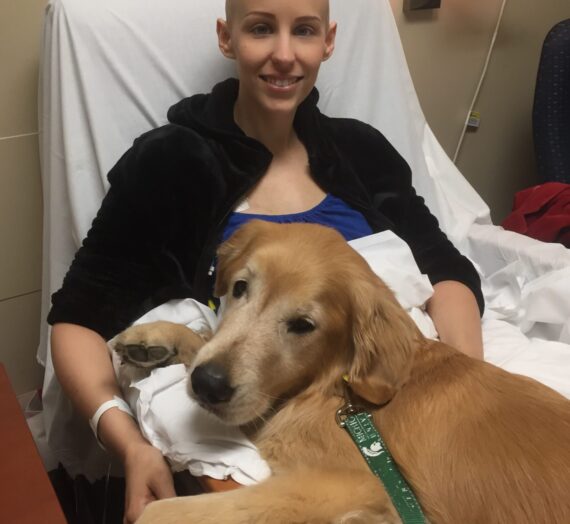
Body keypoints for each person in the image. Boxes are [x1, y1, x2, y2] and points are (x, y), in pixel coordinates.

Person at [48, 0, 485, 521]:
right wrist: (131, 446)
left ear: (328, 41)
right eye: (260, 29)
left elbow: (447, 271)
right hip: (288, 430)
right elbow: (77, 319)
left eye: (303, 31)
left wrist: (469, 392)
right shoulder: (172, 163)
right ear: (226, 37)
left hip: (406, 386)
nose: (284, 55)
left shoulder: (362, 151)